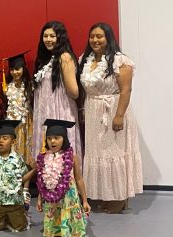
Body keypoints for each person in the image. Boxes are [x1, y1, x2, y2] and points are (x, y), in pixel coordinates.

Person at [78, 22, 143, 213]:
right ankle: (107, 195)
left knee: (114, 153)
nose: (95, 40)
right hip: (93, 111)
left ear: (108, 38)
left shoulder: (121, 61)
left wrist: (119, 116)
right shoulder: (85, 59)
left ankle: (120, 197)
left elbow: (126, 90)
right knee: (99, 154)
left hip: (113, 109)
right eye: (92, 36)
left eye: (100, 36)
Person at [32, 21, 82, 162]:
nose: (48, 39)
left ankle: (65, 180)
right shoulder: (45, 59)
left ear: (60, 38)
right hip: (45, 111)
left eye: (52, 36)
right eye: (45, 36)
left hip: (60, 110)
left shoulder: (64, 57)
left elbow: (74, 92)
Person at [0, 120, 35, 232]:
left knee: (19, 227)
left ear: (13, 141)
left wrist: (34, 170)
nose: (0, 141)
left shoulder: (18, 159)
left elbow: (23, 178)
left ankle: (20, 215)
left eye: (5, 138)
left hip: (15, 201)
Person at [36, 119, 90, 237]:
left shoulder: (71, 156)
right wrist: (40, 199)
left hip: (69, 198)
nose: (52, 141)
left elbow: (79, 179)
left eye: (56, 137)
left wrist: (85, 201)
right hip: (52, 200)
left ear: (64, 139)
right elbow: (41, 182)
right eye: (49, 138)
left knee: (69, 224)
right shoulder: (44, 157)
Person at [2, 51, 35, 209]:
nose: (15, 72)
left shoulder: (30, 86)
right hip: (12, 127)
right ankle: (14, 189)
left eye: (18, 69)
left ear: (24, 69)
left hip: (27, 126)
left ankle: (26, 189)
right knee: (14, 158)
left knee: (26, 157)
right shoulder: (7, 88)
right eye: (13, 69)